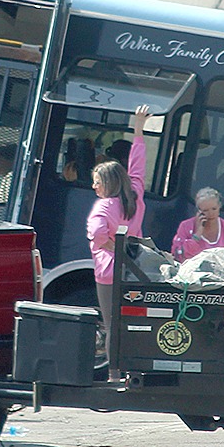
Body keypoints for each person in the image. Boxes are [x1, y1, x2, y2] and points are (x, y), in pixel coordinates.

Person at [86, 104, 150, 347]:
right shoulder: (135, 195)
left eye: (97, 182)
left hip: (109, 273)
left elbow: (98, 236)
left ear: (108, 183)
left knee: (112, 325)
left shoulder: (103, 207)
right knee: (132, 324)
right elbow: (138, 165)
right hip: (136, 269)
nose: (94, 187)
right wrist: (138, 129)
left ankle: (114, 375)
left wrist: (116, 250)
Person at [171, 187, 224, 260]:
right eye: (205, 210)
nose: (210, 213)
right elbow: (178, 256)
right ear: (198, 211)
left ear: (219, 206)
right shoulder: (186, 226)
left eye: (214, 209)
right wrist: (197, 234)